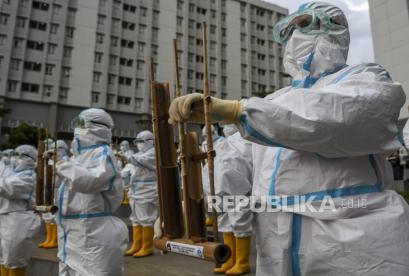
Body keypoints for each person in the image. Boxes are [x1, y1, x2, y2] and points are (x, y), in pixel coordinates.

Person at [168, 2, 409, 275]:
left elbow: (335, 117)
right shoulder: (273, 101)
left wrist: (238, 111)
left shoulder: (366, 79)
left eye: (304, 25)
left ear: (335, 29)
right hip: (276, 237)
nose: (295, 37)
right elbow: (231, 162)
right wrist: (192, 205)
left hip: (350, 236)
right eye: (289, 30)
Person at [56, 108, 128, 275]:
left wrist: (61, 164)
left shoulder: (103, 153)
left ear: (95, 127)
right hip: (72, 231)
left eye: (81, 124)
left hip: (93, 231)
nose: (77, 128)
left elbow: (90, 181)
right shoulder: (77, 156)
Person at [0, 145, 41, 276]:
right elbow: (1, 196)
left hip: (17, 219)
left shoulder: (29, 176)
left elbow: (10, 189)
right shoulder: (13, 175)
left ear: (30, 159)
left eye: (19, 156)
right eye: (14, 155)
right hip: (2, 217)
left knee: (14, 257)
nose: (14, 159)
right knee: (3, 256)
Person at [208, 124, 254, 275]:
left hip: (242, 189)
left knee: (240, 224)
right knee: (226, 224)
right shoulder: (225, 141)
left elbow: (248, 164)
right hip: (224, 190)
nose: (226, 126)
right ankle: (229, 260)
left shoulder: (249, 140)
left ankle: (242, 262)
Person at [124, 130, 158, 258]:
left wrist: (125, 155)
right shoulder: (139, 154)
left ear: (150, 142)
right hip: (136, 191)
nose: (139, 144)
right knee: (135, 219)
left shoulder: (153, 153)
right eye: (137, 142)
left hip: (147, 191)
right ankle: (136, 245)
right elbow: (131, 166)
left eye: (141, 142)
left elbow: (138, 160)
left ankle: (147, 247)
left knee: (146, 219)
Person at [39, 139, 69, 249]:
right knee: (47, 214)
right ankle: (48, 238)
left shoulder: (65, 160)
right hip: (49, 189)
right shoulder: (51, 161)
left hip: (59, 190)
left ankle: (55, 239)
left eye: (59, 148)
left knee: (55, 214)